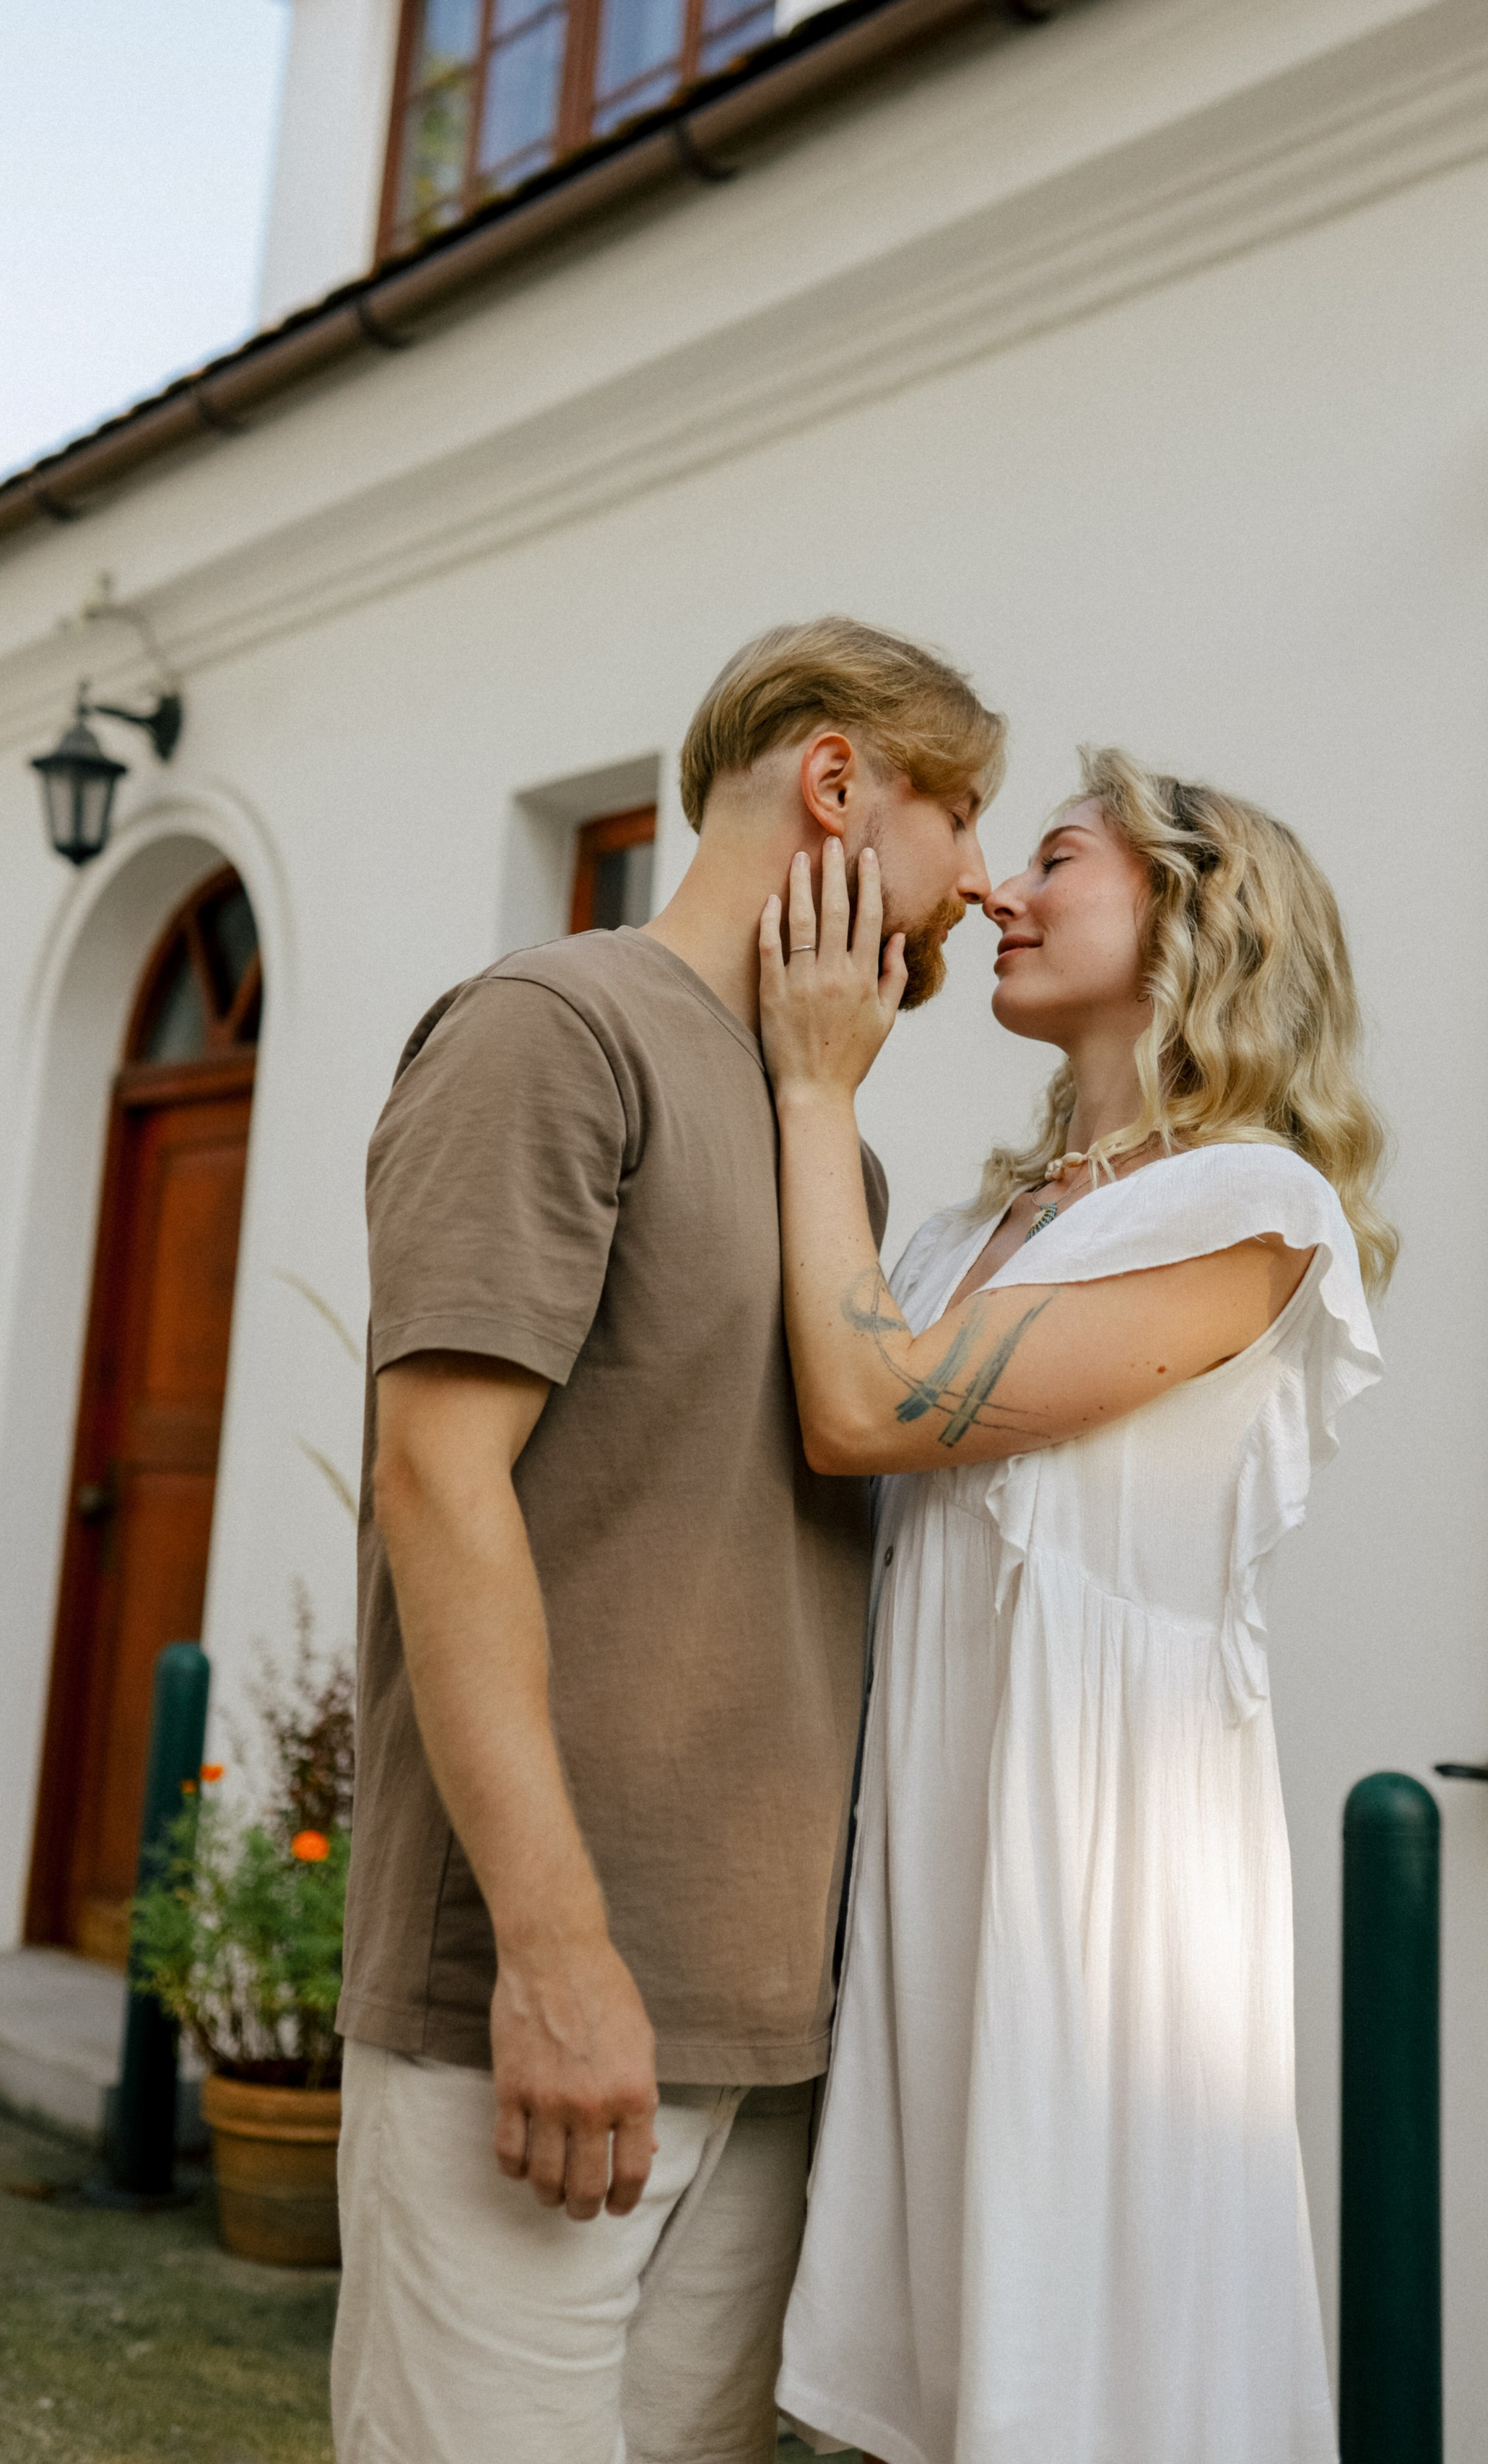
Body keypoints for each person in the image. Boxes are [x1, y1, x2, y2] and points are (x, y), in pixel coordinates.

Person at [330, 617, 1005, 2464]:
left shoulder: (831, 1150)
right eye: (961, 816)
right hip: (538, 2007)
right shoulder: (553, 1031)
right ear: (838, 780)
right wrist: (555, 1953)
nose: (979, 880)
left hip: (764, 2028)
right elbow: (436, 1482)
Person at [763, 749, 1395, 2464]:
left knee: (1094, 2376)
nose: (997, 893)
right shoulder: (953, 1234)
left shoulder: (1249, 1207)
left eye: (1053, 859)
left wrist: (815, 1089)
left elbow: (867, 1408)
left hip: (1105, 1886)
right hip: (935, 1852)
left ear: (1193, 908)